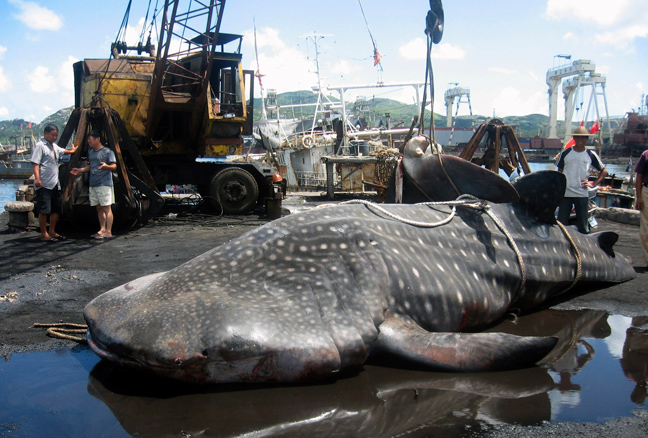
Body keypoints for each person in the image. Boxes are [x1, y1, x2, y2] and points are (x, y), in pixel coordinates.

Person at [555, 126, 608, 234]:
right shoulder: (565, 153)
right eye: (578, 138)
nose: (580, 140)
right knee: (561, 224)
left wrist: (593, 184)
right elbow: (559, 172)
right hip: (566, 193)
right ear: (574, 138)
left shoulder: (590, 154)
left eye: (583, 138)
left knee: (583, 225)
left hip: (582, 193)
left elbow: (604, 171)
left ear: (587, 139)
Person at [30, 124, 77, 242]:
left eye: (56, 135)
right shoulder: (40, 146)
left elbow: (64, 151)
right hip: (44, 183)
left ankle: (52, 230)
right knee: (44, 209)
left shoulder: (54, 147)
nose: (55, 137)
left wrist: (73, 150)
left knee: (56, 209)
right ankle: (44, 233)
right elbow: (35, 163)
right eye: (52, 135)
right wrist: (37, 178)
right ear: (46, 134)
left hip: (55, 183)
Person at [69, 130, 117, 240]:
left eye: (90, 139)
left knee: (106, 208)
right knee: (99, 207)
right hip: (93, 183)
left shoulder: (108, 152)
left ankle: (108, 231)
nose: (88, 141)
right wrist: (80, 170)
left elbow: (114, 166)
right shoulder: (91, 152)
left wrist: (106, 167)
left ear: (97, 139)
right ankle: (102, 229)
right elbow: (91, 167)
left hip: (104, 183)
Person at [634, 148, 648, 267]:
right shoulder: (646, 155)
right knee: (646, 228)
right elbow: (639, 177)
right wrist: (639, 197)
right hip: (647, 191)